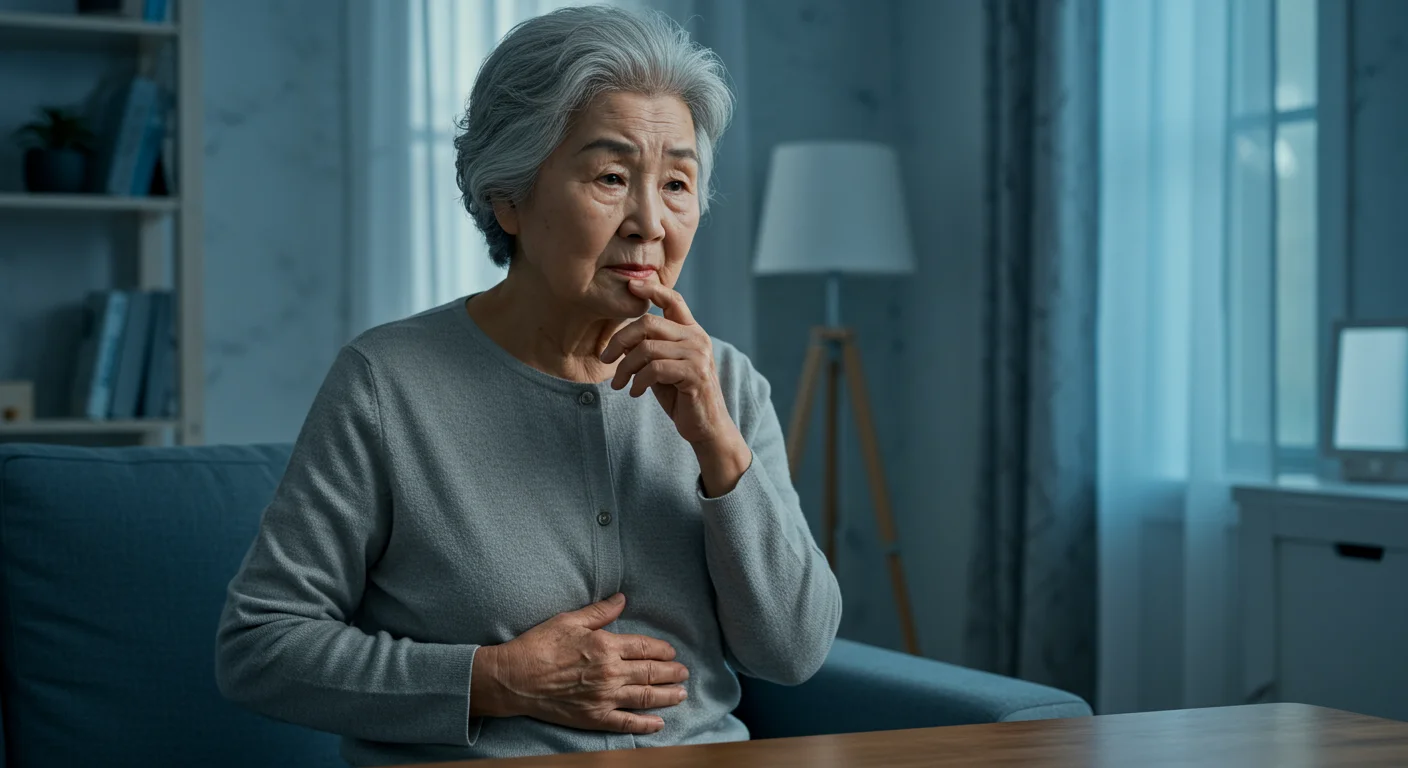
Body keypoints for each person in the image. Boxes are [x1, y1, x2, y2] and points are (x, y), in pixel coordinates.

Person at [215, 5, 841, 765]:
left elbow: (796, 652)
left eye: (677, 183)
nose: (649, 221)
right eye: (612, 176)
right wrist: (493, 679)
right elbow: (259, 647)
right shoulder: (387, 385)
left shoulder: (728, 384)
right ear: (508, 195)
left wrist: (718, 444)